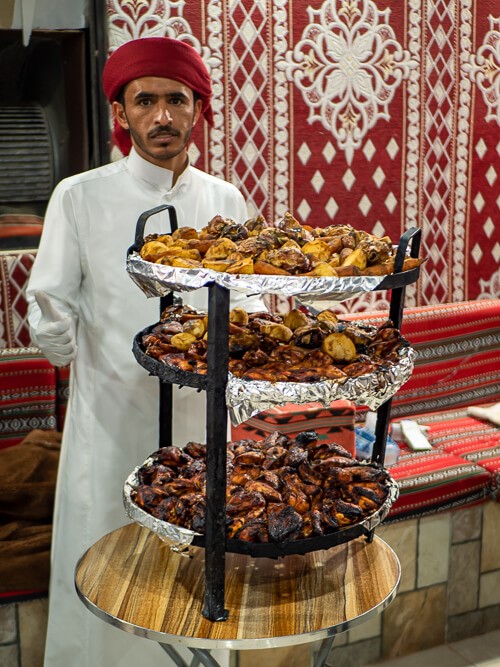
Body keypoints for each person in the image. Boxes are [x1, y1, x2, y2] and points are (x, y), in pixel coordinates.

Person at [27, 37, 264, 667]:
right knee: (109, 564)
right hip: (110, 423)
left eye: (176, 100)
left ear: (198, 110)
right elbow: (50, 311)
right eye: (146, 101)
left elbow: (248, 310)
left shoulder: (226, 202)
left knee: (197, 566)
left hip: (203, 422)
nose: (162, 115)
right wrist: (83, 360)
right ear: (122, 113)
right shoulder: (79, 197)